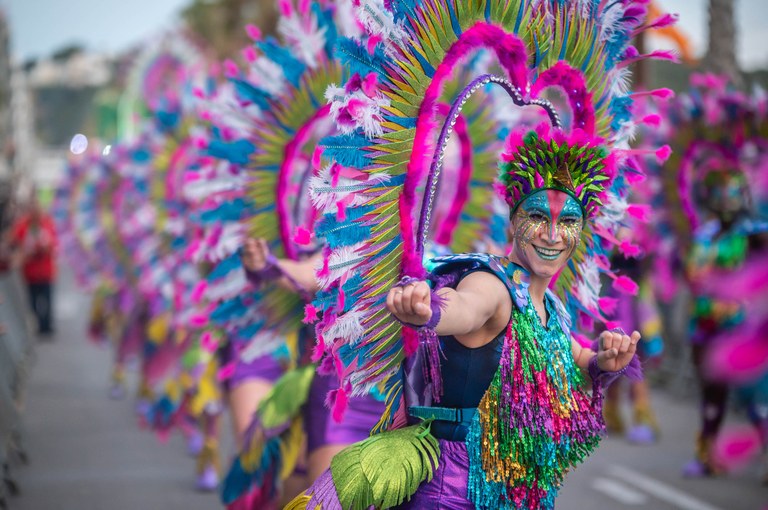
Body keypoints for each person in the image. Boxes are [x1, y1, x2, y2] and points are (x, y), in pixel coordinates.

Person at [11, 197, 57, 336]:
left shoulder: (47, 223)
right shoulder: (22, 225)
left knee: (47, 301)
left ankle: (46, 326)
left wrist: (44, 247)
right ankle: (39, 324)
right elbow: (14, 242)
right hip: (30, 273)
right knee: (33, 302)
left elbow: (54, 244)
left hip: (46, 271)